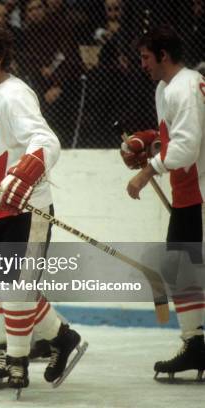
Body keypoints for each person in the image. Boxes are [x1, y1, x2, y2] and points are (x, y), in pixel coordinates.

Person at [0, 23, 85, 392]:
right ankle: (63, 337)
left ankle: (17, 361)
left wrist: (24, 174)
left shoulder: (16, 95)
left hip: (26, 208)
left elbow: (46, 140)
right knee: (2, 287)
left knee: (17, 289)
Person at [122, 24, 205, 381]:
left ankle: (196, 343)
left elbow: (187, 145)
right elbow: (177, 137)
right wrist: (152, 143)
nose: (142, 64)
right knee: (180, 265)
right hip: (190, 188)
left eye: (145, 57)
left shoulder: (184, 87)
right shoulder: (168, 87)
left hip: (199, 188)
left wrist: (147, 171)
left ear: (164, 56)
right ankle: (196, 344)